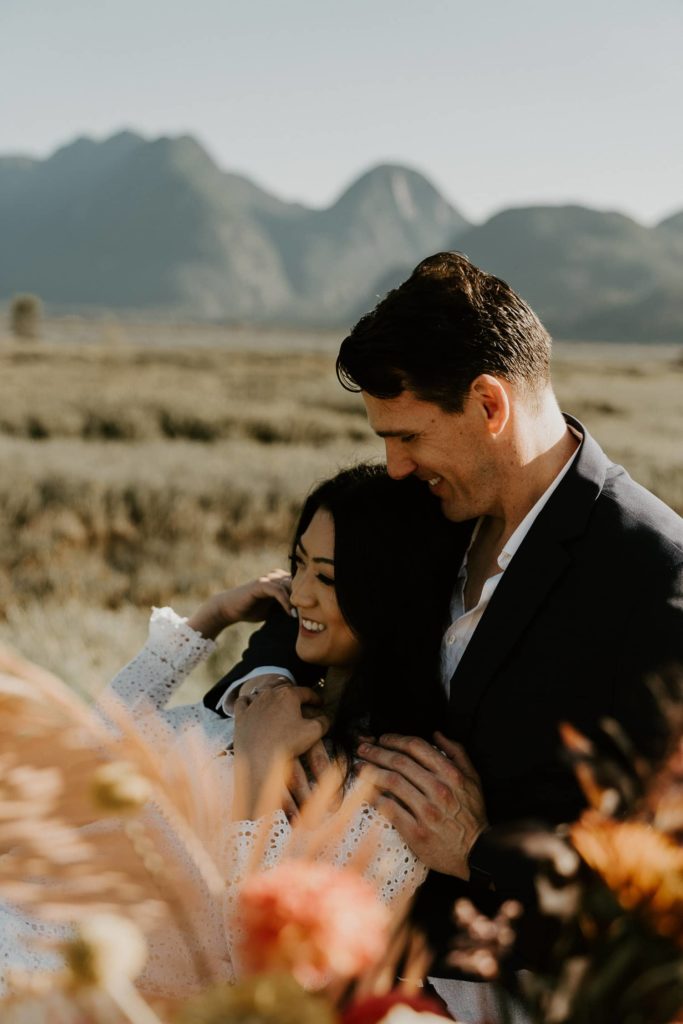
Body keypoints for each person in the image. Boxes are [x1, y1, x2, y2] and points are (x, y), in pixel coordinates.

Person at [207, 252, 683, 972]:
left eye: (408, 436)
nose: (395, 466)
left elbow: (659, 874)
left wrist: (477, 850)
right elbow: (306, 608)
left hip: (502, 984)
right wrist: (267, 688)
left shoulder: (654, 578)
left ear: (489, 405)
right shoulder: (426, 503)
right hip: (334, 954)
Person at [0, 464, 468, 999]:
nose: (303, 596)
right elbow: (93, 758)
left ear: (391, 594)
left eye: (329, 577)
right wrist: (207, 621)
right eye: (299, 566)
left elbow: (268, 969)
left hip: (55, 995)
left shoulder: (392, 782)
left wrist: (258, 776)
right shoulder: (267, 703)